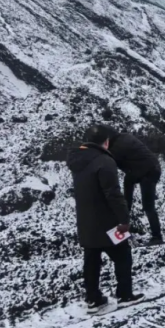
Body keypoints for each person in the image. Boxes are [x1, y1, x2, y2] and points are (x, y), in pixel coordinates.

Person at [66, 124, 144, 313]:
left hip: (86, 221)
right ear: (106, 142)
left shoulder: (77, 161)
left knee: (91, 261)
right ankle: (125, 295)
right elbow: (113, 194)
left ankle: (93, 300)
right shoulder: (105, 161)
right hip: (108, 222)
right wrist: (124, 219)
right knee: (123, 256)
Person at [105, 127, 164, 246]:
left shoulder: (116, 148)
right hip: (143, 169)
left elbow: (109, 164)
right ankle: (124, 227)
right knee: (127, 200)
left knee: (148, 206)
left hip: (148, 172)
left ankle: (157, 237)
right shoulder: (124, 137)